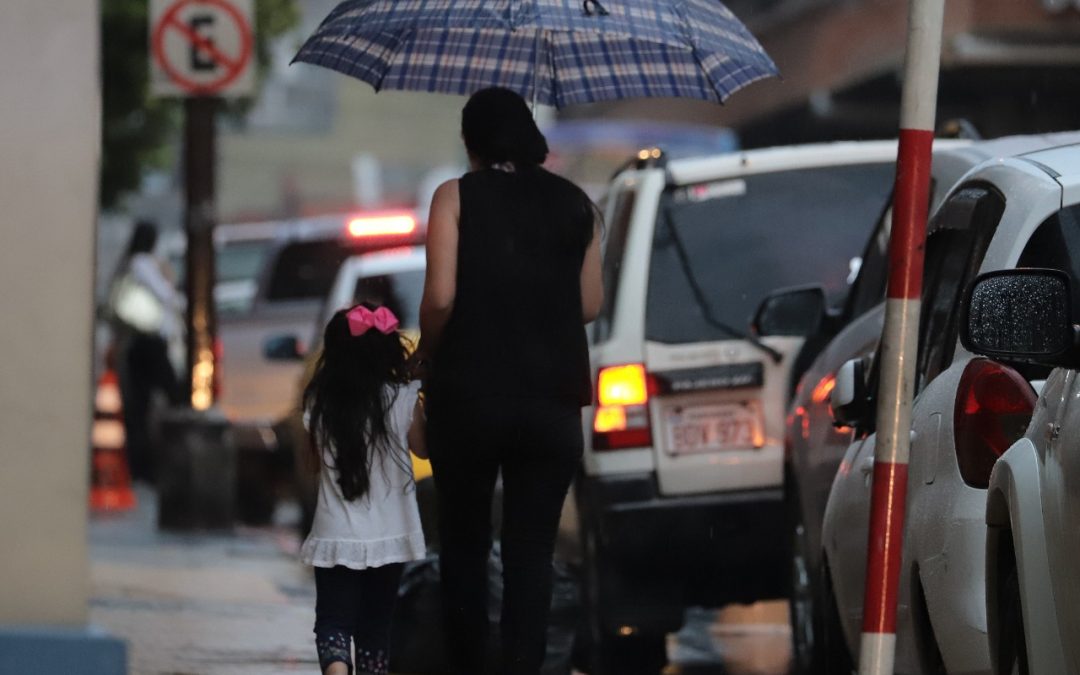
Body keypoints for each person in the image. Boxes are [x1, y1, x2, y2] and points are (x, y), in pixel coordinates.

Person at [413, 87, 604, 675]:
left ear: (470, 142)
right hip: (551, 403)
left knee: (465, 546)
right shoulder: (578, 205)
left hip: (468, 398)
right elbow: (590, 305)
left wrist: (425, 355)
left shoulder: (455, 198)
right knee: (531, 553)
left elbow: (441, 297)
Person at [300, 303, 427, 675]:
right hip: (389, 536)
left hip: (337, 535)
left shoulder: (319, 403)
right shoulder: (401, 399)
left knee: (334, 623)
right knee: (375, 628)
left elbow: (313, 459)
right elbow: (424, 447)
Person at [105, 220, 184, 481]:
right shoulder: (141, 263)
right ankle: (149, 466)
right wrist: (167, 277)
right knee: (170, 395)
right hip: (148, 342)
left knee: (140, 404)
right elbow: (166, 295)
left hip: (141, 342)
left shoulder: (132, 263)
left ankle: (142, 466)